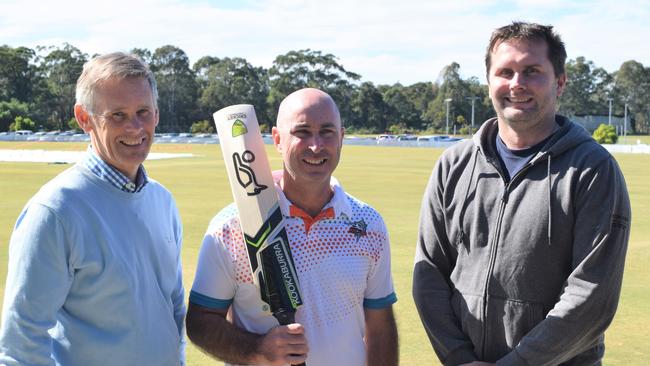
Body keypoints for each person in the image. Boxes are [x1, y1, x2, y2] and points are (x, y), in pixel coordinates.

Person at [412, 22, 630, 365]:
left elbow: (592, 296)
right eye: (505, 72)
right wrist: (459, 358)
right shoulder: (453, 165)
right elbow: (429, 274)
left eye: (532, 71)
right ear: (488, 82)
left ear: (559, 82)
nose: (517, 84)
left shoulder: (593, 169)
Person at [186, 88, 398, 366]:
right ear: (277, 139)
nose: (315, 145)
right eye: (302, 132)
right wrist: (257, 349)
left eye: (327, 131)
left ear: (342, 138)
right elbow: (200, 321)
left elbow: (381, 326)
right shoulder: (230, 227)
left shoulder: (368, 224)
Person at [0, 52, 186, 365]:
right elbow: (20, 347)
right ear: (84, 118)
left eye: (143, 111)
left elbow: (174, 308)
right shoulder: (55, 211)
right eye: (117, 115)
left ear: (156, 113)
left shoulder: (162, 201)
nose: (135, 127)